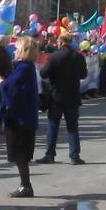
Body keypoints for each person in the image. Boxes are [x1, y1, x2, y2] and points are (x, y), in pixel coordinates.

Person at [0, 36, 41, 197]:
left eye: (17, 48)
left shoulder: (24, 69)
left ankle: (26, 185)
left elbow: (12, 89)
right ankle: (25, 184)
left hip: (20, 118)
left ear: (24, 51)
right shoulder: (23, 68)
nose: (14, 50)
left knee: (20, 153)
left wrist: (0, 82)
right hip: (22, 116)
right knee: (19, 153)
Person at [36, 34, 87, 165]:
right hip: (73, 96)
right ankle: (74, 156)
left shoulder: (54, 56)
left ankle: (50, 155)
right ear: (71, 43)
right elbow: (84, 74)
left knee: (53, 125)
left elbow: (43, 73)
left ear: (60, 42)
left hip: (56, 96)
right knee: (72, 127)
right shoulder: (78, 56)